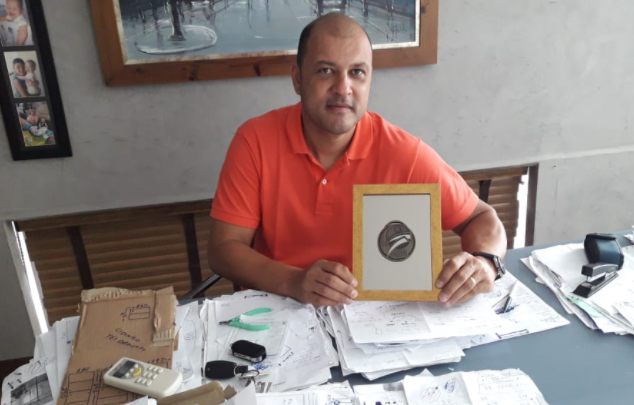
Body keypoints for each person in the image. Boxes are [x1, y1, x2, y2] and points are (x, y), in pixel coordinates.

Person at [208, 13, 507, 308]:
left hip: (372, 319)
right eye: (326, 70)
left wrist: (485, 262)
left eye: (357, 72)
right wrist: (293, 281)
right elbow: (223, 248)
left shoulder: (404, 153)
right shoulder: (255, 140)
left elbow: (482, 218)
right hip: (277, 311)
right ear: (297, 79)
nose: (343, 88)